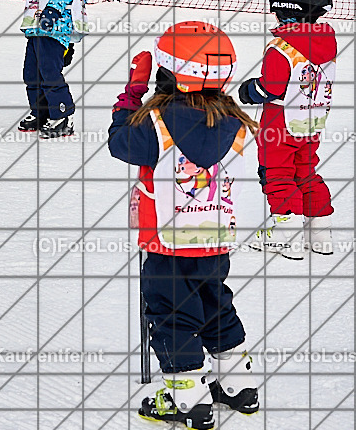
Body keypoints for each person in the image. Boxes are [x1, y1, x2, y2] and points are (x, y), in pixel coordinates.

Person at [108, 22, 260, 428]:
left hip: (166, 242)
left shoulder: (154, 122)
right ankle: (237, 383)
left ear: (169, 73)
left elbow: (118, 142)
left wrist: (132, 91)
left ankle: (189, 397)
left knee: (172, 313)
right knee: (214, 301)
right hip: (216, 238)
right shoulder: (239, 122)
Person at [239, 0, 336, 259]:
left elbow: (272, 88)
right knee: (305, 169)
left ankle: (286, 233)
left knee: (277, 172)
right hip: (312, 118)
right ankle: (319, 231)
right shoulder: (325, 41)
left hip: (280, 123)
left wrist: (249, 91)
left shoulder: (281, 48)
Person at [17, 0, 93, 138]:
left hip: (54, 28)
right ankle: (40, 112)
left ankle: (61, 115)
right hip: (37, 30)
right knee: (31, 74)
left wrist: (52, 12)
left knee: (50, 73)